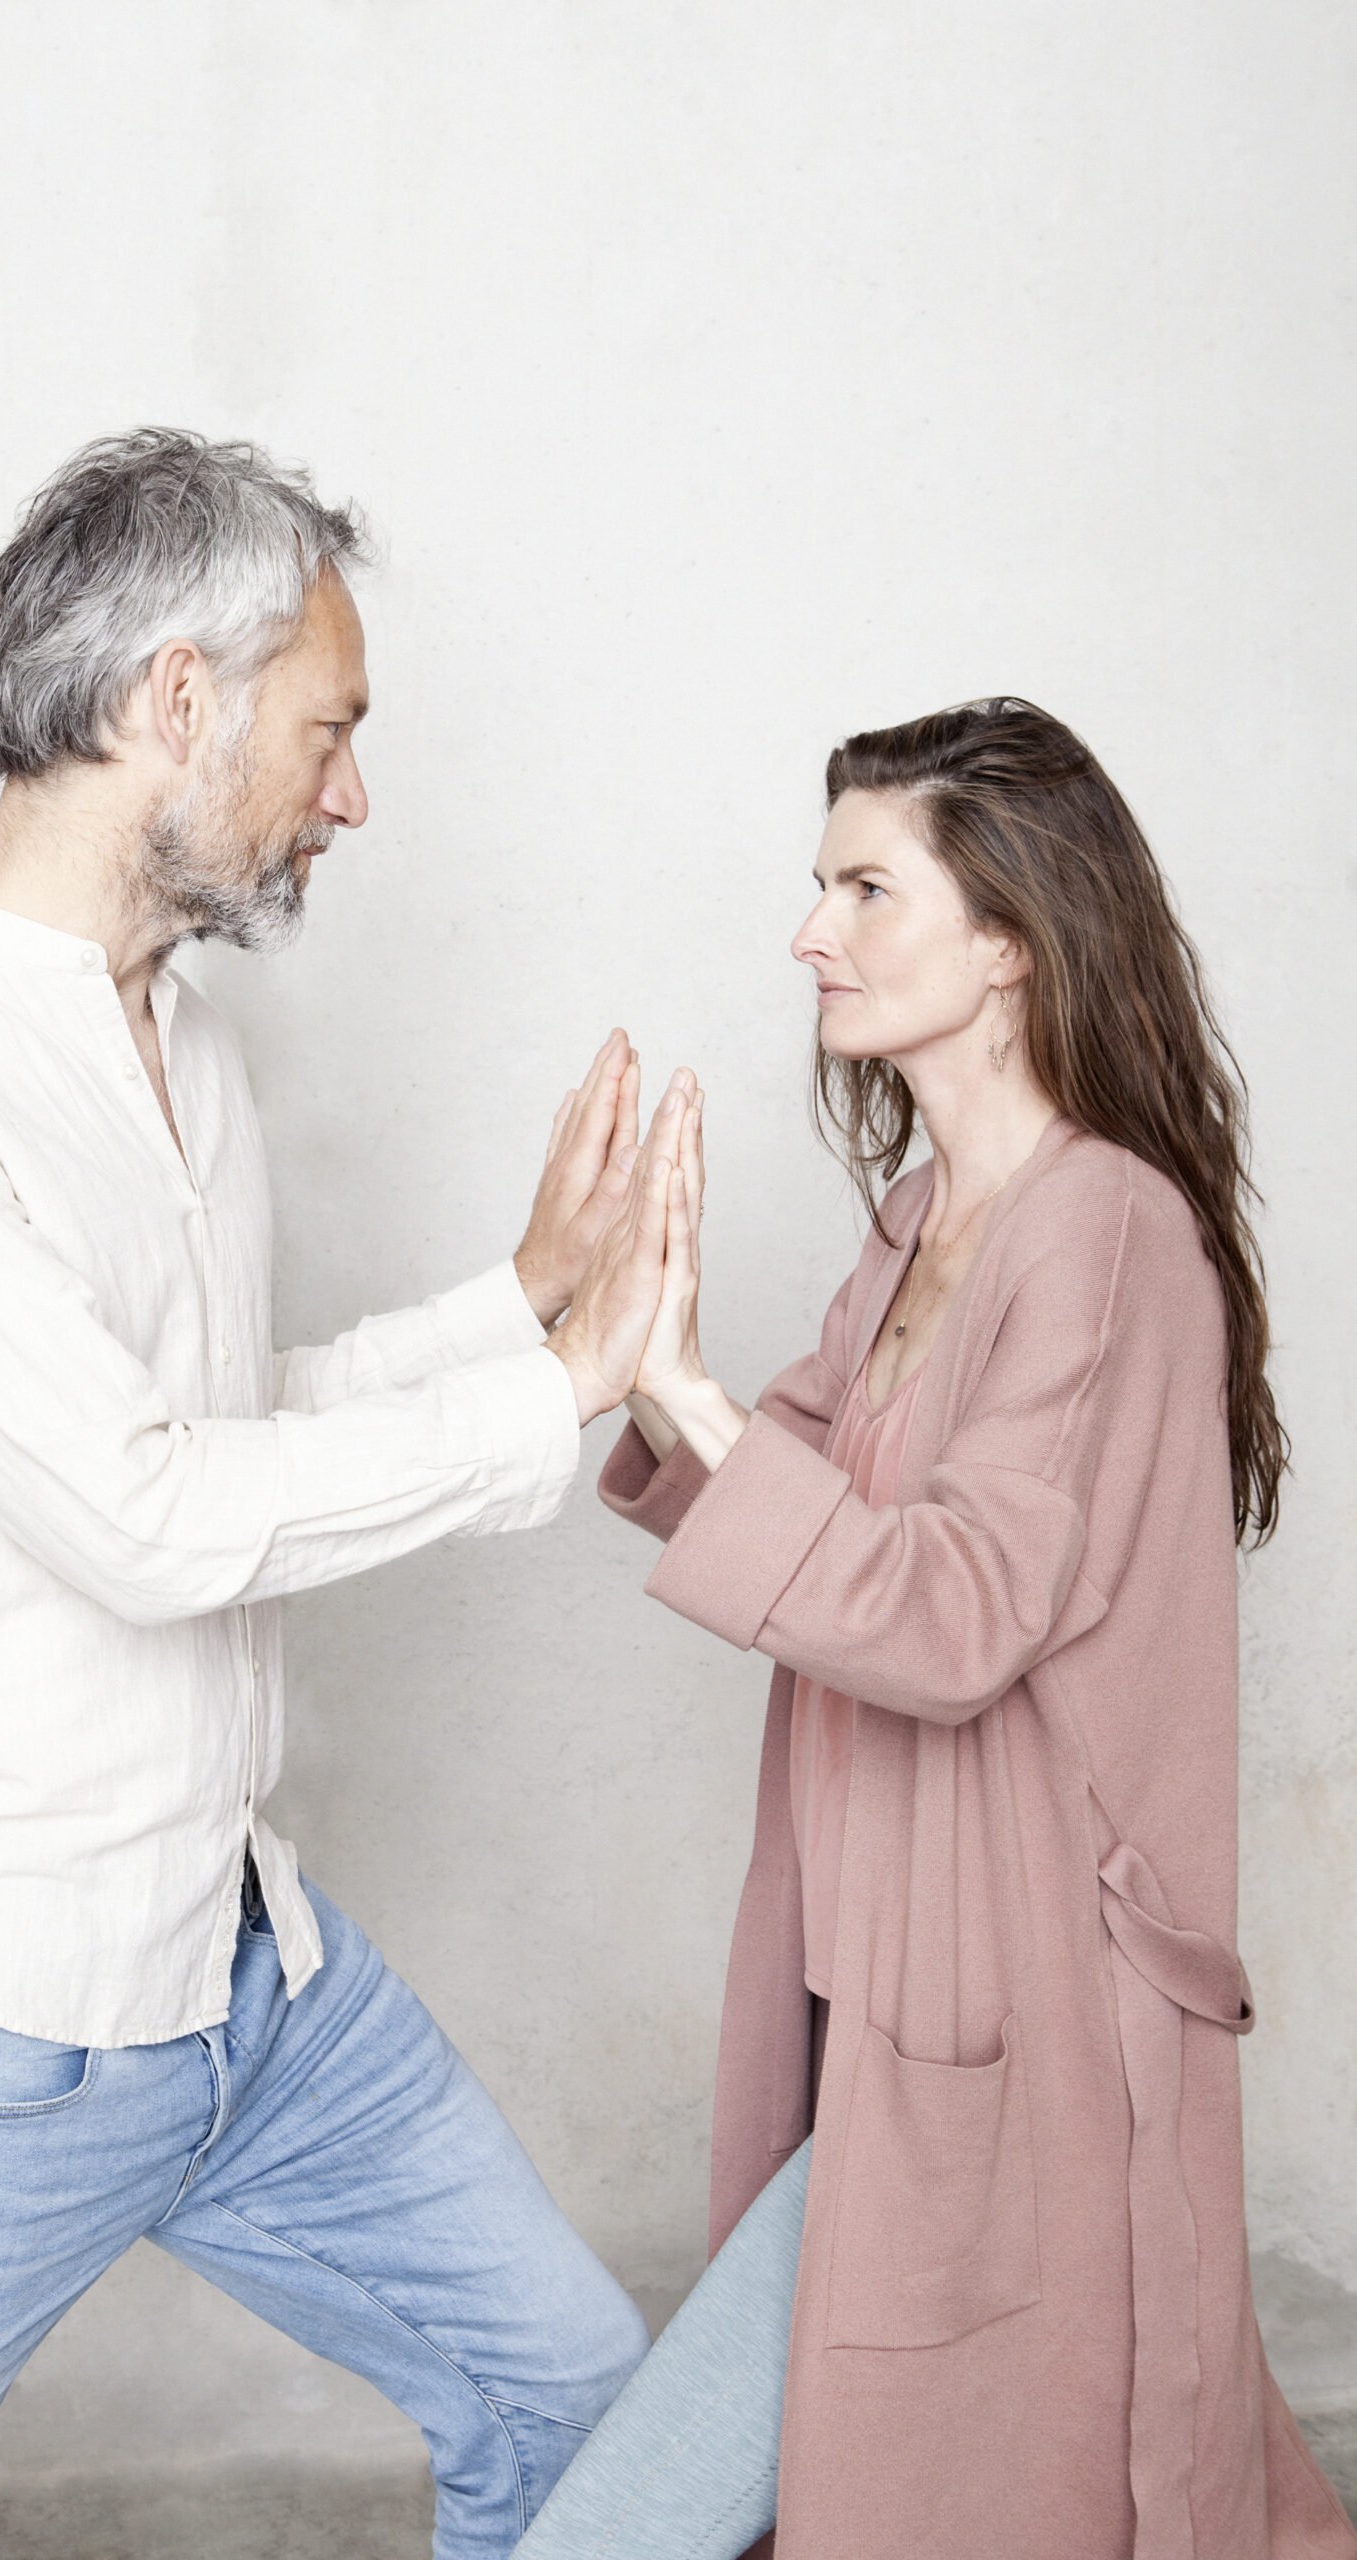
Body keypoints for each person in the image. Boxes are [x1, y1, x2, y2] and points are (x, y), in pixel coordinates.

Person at [0, 429, 655, 2560]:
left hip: (244, 1979)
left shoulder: (187, 1045)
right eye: (330, 729)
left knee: (568, 2395)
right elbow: (141, 1513)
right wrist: (545, 1408)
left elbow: (215, 1420)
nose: (350, 798)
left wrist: (515, 1311)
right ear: (176, 701)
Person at [524, 700, 1357, 2560]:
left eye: (863, 890)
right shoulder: (920, 1223)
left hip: (1023, 2010)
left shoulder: (1104, 1235)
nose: (809, 933)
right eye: (818, 888)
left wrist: (681, 1384)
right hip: (874, 1978)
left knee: (725, 2506)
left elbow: (954, 1611)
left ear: (1008, 941)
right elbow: (802, 1488)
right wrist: (622, 1358)